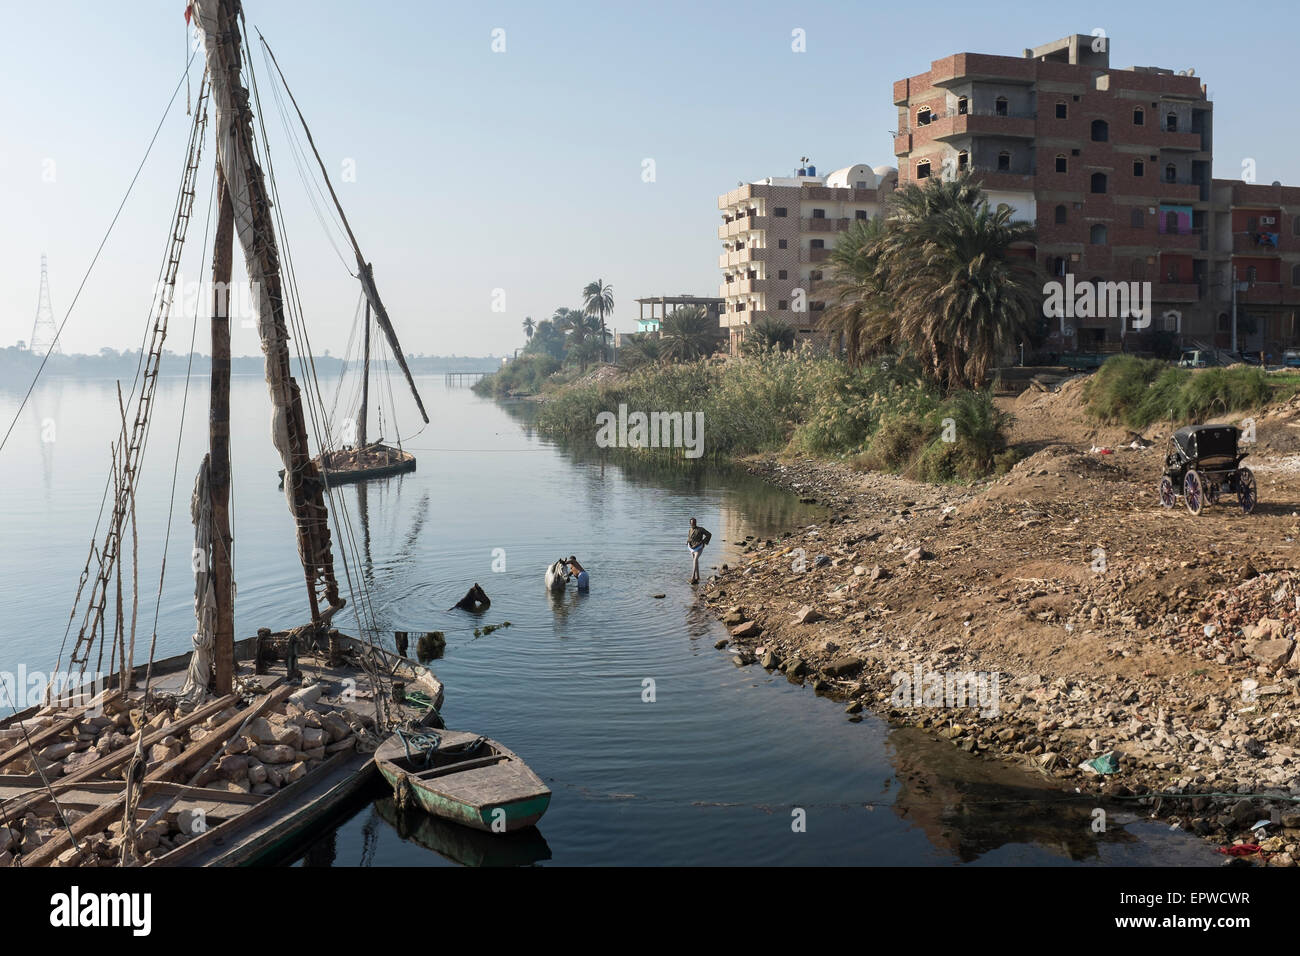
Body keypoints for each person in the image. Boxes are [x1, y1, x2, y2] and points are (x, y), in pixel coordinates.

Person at [686, 517, 711, 584]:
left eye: (694, 522)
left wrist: (703, 542)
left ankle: (693, 577)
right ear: (690, 523)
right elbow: (689, 538)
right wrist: (687, 542)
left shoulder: (700, 529)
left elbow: (709, 534)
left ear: (696, 523)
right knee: (695, 561)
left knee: (695, 559)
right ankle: (698, 577)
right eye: (692, 523)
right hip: (691, 547)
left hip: (699, 547)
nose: (693, 524)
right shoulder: (690, 530)